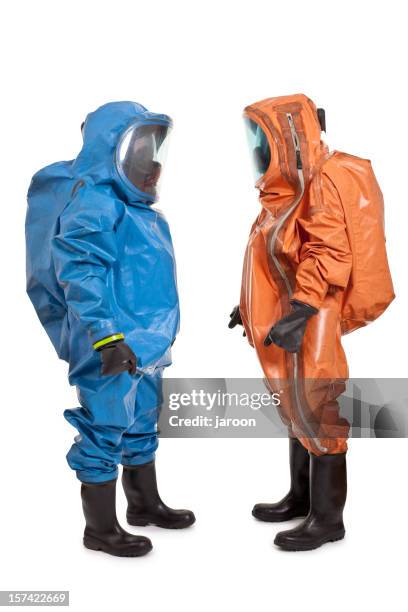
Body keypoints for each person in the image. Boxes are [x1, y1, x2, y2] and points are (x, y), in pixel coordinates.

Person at [26, 101, 195, 557]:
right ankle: (100, 528)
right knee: (106, 424)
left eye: (155, 146)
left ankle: (144, 504)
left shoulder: (135, 209)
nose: (152, 159)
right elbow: (79, 270)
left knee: (141, 417)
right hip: (110, 342)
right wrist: (106, 337)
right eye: (142, 145)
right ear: (111, 148)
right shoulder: (96, 201)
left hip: (144, 341)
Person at [229, 93, 393, 551]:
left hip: (312, 309)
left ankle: (328, 519)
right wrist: (246, 305)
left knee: (317, 403)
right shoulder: (284, 193)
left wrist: (302, 310)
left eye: (264, 137)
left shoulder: (321, 183)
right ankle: (300, 499)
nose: (257, 149)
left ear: (290, 137)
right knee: (293, 403)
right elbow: (270, 258)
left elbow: (330, 251)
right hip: (292, 309)